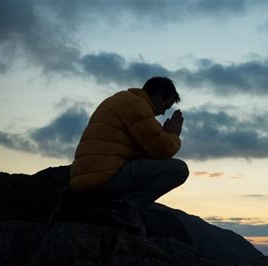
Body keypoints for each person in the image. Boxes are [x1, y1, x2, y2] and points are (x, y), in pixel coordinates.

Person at [54, 77, 188, 236]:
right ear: (159, 95)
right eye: (166, 106)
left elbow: (142, 150)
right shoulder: (137, 106)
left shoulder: (121, 100)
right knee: (179, 169)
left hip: (86, 178)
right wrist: (173, 134)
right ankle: (121, 207)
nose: (164, 112)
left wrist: (164, 134)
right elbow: (163, 149)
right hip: (103, 180)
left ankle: (114, 206)